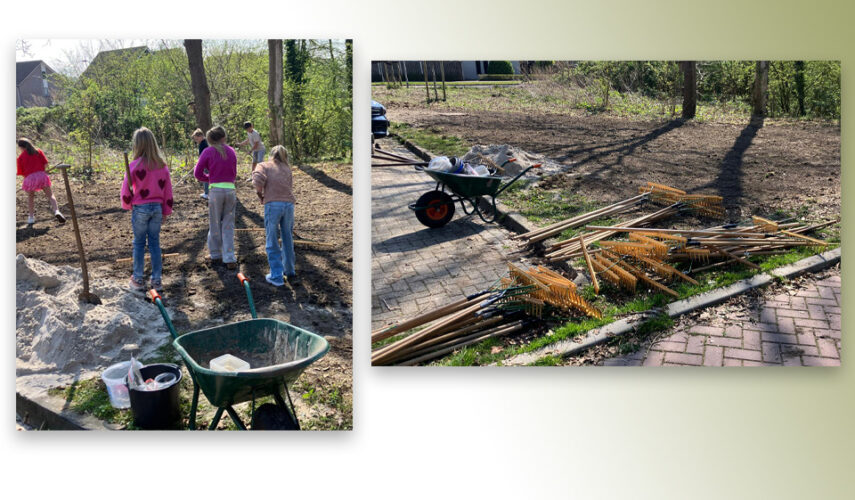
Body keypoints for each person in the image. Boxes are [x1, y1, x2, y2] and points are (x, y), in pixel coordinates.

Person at [120, 127, 174, 292]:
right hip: (157, 208)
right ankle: (156, 280)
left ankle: (137, 279)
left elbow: (125, 190)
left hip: (140, 209)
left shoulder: (133, 166)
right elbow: (168, 191)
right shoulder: (162, 166)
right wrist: (166, 210)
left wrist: (128, 205)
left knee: (138, 243)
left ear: (137, 145)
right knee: (154, 243)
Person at [252, 145, 298, 286]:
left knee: (272, 239)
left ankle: (276, 276)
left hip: (273, 205)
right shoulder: (287, 168)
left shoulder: (264, 165)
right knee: (287, 237)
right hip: (289, 205)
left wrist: (260, 195)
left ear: (271, 154)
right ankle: (289, 270)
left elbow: (257, 180)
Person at [194, 125, 238, 270]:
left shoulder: (207, 151)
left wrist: (210, 178)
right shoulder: (231, 151)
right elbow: (234, 172)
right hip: (230, 190)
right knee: (228, 224)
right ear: (224, 137)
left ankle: (215, 254)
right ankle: (229, 257)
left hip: (215, 192)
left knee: (215, 223)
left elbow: (197, 173)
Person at [16, 138, 66, 225]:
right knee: (50, 195)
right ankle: (57, 211)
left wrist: (30, 177)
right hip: (42, 176)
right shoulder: (38, 151)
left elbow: (21, 172)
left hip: (29, 178)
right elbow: (46, 164)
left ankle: (31, 217)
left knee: (31, 198)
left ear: (21, 147)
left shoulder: (20, 158)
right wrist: (41, 171)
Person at [191, 128, 209, 199]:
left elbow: (202, 155)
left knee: (206, 177)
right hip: (208, 163)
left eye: (197, 139)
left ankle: (207, 193)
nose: (196, 141)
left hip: (206, 164)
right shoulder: (206, 141)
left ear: (201, 136)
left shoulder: (203, 144)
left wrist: (200, 162)